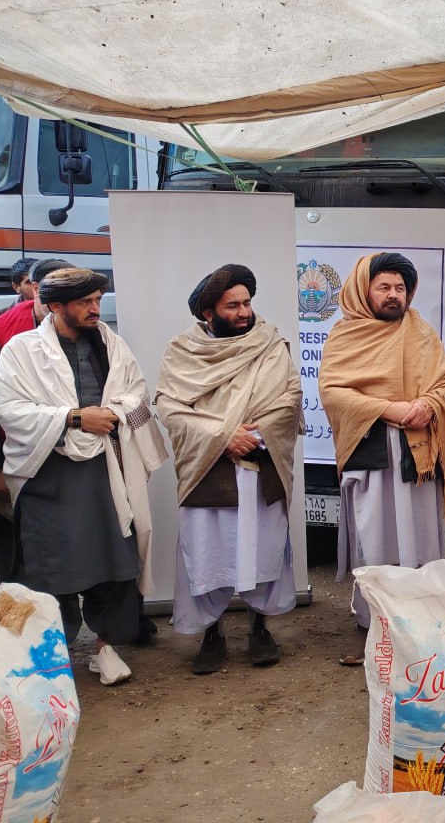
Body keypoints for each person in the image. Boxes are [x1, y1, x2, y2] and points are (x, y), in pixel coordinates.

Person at [0, 268, 167, 684]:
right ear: (55, 306)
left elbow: (137, 392)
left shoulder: (112, 343)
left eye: (98, 300)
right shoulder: (21, 351)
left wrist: (114, 413)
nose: (95, 309)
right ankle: (50, 653)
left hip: (108, 469)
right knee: (49, 566)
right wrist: (74, 418)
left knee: (116, 557)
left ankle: (106, 646)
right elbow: (9, 409)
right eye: (85, 302)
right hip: (49, 473)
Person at [318, 252, 445, 665]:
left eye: (400, 288)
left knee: (422, 540)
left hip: (418, 457)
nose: (393, 295)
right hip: (372, 458)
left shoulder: (420, 331)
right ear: (363, 290)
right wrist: (388, 409)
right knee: (375, 542)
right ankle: (375, 631)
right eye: (383, 287)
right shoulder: (344, 335)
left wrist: (428, 403)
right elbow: (333, 392)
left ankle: (424, 631)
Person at [157, 264, 304, 674]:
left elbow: (290, 396)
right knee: (208, 552)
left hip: (259, 461)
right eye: (232, 306)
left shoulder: (270, 343)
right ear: (208, 313)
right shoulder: (182, 351)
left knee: (263, 547)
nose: (243, 312)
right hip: (208, 467)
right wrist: (223, 436)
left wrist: (254, 436)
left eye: (247, 303)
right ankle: (212, 632)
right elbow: (170, 406)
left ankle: (260, 627)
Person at [0, 258, 68, 593]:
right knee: (12, 554)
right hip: (11, 459)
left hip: (61, 456)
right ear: (34, 289)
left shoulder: (90, 333)